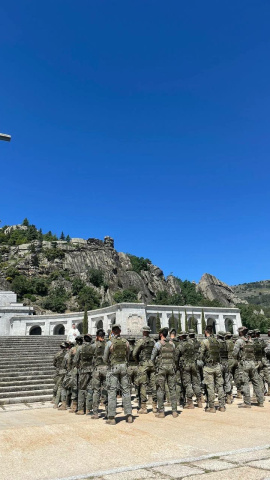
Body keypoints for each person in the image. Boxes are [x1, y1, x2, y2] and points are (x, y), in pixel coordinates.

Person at [103, 324, 133, 425]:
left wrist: (108, 362)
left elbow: (105, 357)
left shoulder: (109, 342)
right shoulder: (126, 342)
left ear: (112, 331)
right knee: (126, 390)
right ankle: (129, 415)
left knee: (112, 391)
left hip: (114, 367)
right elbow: (129, 353)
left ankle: (111, 417)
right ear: (120, 331)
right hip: (124, 367)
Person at [233, 326, 264, 408]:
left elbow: (234, 353)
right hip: (253, 363)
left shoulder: (239, 341)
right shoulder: (251, 341)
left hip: (244, 364)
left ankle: (247, 403)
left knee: (245, 382)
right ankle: (260, 401)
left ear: (240, 332)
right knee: (256, 382)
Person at [151, 327, 178, 418]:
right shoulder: (172, 344)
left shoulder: (158, 344)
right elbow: (175, 356)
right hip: (171, 368)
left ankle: (161, 412)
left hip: (161, 368)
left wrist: (155, 366)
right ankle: (174, 411)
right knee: (172, 389)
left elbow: (152, 358)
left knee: (160, 390)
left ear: (161, 334)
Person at [199, 325, 225, 413]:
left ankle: (211, 407)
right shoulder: (217, 341)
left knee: (210, 387)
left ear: (206, 331)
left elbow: (201, 355)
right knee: (220, 386)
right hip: (217, 366)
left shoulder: (205, 341)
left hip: (208, 367)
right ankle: (222, 406)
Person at [133, 326, 157, 414]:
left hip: (143, 364)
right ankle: (155, 406)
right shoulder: (153, 341)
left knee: (143, 384)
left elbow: (134, 353)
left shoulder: (141, 341)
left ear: (143, 332)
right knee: (154, 384)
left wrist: (138, 361)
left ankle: (143, 407)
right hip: (152, 364)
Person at [176, 331, 202, 409]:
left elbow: (176, 357)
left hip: (185, 366)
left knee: (188, 384)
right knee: (196, 383)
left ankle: (190, 403)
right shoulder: (192, 344)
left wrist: (177, 366)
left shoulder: (180, 345)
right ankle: (199, 401)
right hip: (194, 365)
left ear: (181, 337)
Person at [74, 333, 95, 415]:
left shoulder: (80, 348)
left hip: (83, 370)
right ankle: (88, 409)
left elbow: (75, 360)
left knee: (82, 389)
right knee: (90, 389)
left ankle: (81, 409)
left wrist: (78, 367)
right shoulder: (93, 347)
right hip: (92, 370)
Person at [91, 328, 108, 419]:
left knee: (96, 391)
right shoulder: (108, 344)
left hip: (97, 369)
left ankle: (95, 413)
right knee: (106, 390)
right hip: (106, 369)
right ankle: (108, 412)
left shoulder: (94, 345)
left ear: (97, 336)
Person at [217, 331, 231, 405]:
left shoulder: (217, 343)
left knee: (220, 382)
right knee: (227, 380)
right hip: (226, 362)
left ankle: (222, 398)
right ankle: (228, 397)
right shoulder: (227, 343)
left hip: (220, 363)